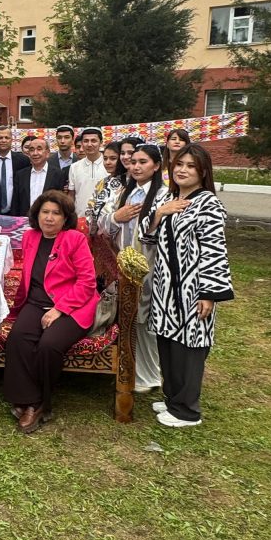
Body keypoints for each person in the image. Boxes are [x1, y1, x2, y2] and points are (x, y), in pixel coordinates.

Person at [141, 144, 234, 428]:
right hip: (165, 287)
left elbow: (215, 250)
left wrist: (209, 293)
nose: (182, 170)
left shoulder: (208, 204)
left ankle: (187, 410)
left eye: (191, 166)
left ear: (203, 172)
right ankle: (173, 398)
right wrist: (160, 213)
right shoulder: (168, 198)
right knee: (168, 343)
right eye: (179, 164)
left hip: (192, 289)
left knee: (189, 347)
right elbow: (147, 235)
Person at [3, 190, 99, 434]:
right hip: (36, 302)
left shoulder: (75, 239)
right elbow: (28, 276)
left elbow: (87, 282)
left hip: (73, 305)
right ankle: (29, 399)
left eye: (56, 213)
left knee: (49, 345)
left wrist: (60, 309)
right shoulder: (30, 236)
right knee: (18, 338)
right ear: (37, 215)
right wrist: (18, 306)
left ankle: (40, 405)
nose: (49, 217)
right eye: (45, 212)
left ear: (65, 218)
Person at [99, 144, 169, 393]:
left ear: (157, 166)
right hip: (121, 265)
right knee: (124, 314)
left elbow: (165, 232)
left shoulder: (164, 196)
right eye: (133, 162)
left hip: (151, 265)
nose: (136, 166)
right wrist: (116, 217)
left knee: (144, 317)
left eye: (143, 162)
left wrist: (154, 217)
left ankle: (148, 374)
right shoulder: (122, 192)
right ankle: (126, 366)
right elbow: (103, 223)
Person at [0, 125, 30, 215]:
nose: (3, 140)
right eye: (0, 138)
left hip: (15, 211)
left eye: (7, 137)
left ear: (12, 140)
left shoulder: (23, 161)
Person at [14, 137, 67, 216]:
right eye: (32, 150)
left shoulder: (58, 174)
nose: (35, 153)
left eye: (39, 149)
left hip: (49, 219)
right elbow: (15, 203)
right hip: (25, 219)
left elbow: (61, 203)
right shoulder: (20, 175)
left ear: (47, 153)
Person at [85, 141, 126, 234]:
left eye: (113, 158)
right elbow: (90, 207)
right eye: (105, 158)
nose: (108, 162)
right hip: (97, 235)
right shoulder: (101, 183)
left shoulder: (128, 183)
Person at [68, 127, 106, 218]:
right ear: (82, 143)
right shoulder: (74, 167)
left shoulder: (109, 164)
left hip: (105, 219)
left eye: (93, 141)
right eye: (86, 141)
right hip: (80, 218)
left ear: (101, 143)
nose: (89, 144)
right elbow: (71, 195)